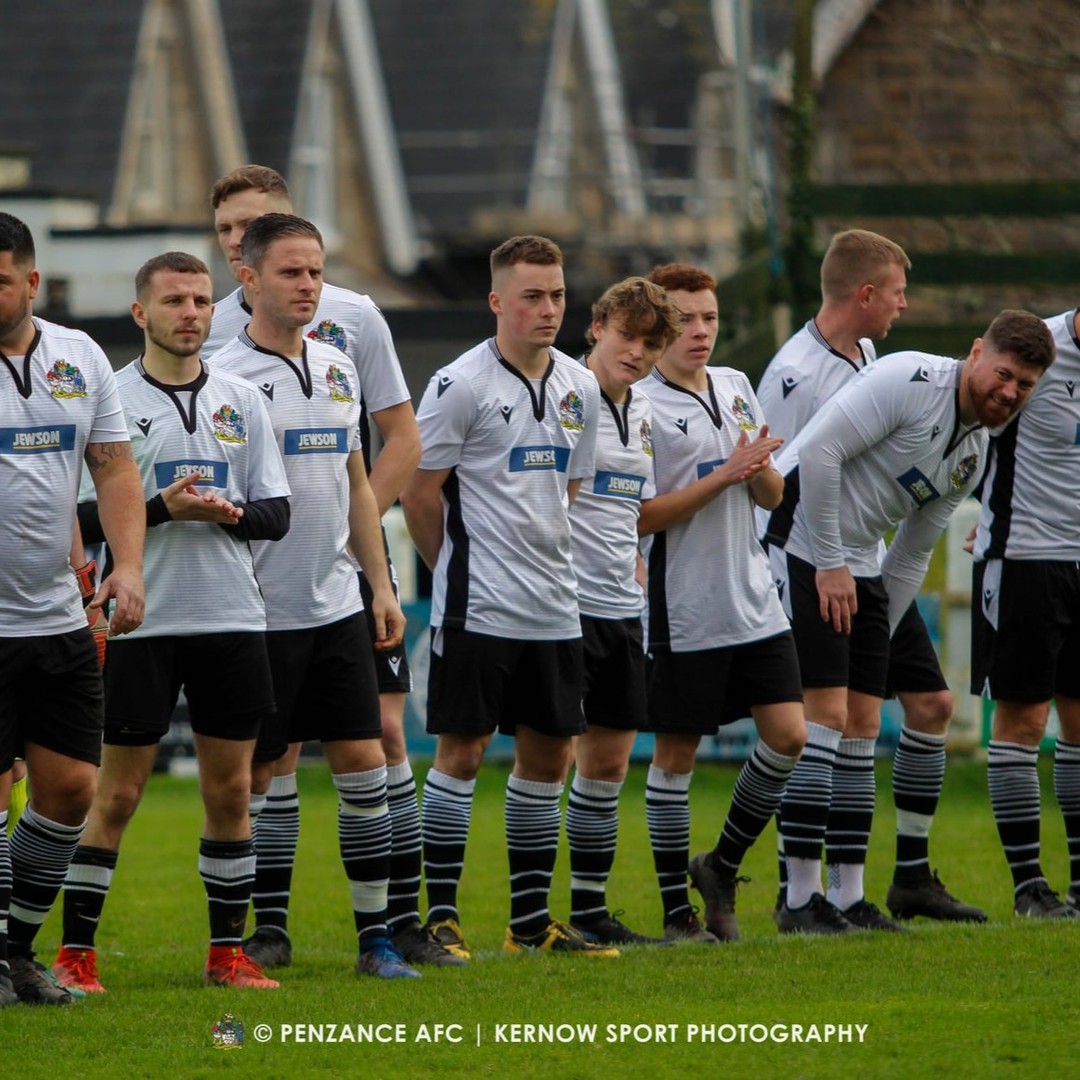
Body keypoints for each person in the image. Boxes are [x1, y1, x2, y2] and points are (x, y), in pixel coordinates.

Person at [204, 166, 436, 966]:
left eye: (316, 272)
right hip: (257, 608)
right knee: (265, 769)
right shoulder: (223, 379)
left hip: (338, 600)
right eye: (291, 273)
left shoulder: (339, 363)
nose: (308, 286)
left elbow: (357, 483)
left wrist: (379, 584)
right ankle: (270, 931)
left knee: (367, 754)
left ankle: (378, 936)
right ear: (247, 278)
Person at [764, 308, 1055, 933]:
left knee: (868, 719)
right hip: (798, 538)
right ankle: (797, 900)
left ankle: (846, 897)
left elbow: (915, 549)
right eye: (1002, 374)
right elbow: (816, 455)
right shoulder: (908, 377)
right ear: (977, 351)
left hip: (858, 561)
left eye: (1023, 386)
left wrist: (880, 632)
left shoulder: (974, 451)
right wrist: (832, 564)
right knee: (826, 718)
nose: (1007, 392)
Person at [52, 252, 290, 994]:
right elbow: (81, 517)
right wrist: (162, 509)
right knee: (116, 794)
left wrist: (227, 513)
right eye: (175, 301)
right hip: (138, 624)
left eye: (201, 299)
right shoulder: (109, 396)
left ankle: (228, 956)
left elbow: (277, 513)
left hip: (231, 619)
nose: (191, 313)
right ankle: (75, 956)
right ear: (140, 314)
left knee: (229, 793)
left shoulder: (244, 398)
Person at [757, 229, 986, 923]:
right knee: (825, 719)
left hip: (867, 562)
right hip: (809, 556)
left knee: (920, 708)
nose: (903, 305)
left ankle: (876, 886)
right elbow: (781, 478)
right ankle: (798, 887)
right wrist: (814, 566)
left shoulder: (867, 355)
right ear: (864, 294)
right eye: (895, 293)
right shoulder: (798, 372)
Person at [400, 235, 611, 957]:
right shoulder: (461, 383)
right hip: (479, 606)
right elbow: (419, 493)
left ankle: (529, 926)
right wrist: (456, 566)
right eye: (532, 296)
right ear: (497, 302)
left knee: (549, 757)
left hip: (556, 605)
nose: (548, 308)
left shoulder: (581, 386)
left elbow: (570, 491)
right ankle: (442, 916)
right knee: (461, 752)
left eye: (556, 295)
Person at [634, 263, 806, 943]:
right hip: (685, 607)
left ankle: (721, 864)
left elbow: (771, 497)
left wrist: (758, 469)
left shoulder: (736, 386)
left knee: (789, 736)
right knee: (675, 757)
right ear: (654, 325)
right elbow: (642, 516)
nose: (700, 331)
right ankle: (677, 915)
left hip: (755, 601)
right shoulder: (639, 402)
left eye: (708, 317)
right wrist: (724, 475)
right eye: (684, 319)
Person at [0, 212, 145, 1006]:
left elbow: (115, 470)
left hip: (58, 618)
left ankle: (17, 950)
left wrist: (128, 566)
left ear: (30, 282)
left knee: (69, 789)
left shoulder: (79, 355)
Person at [563, 277, 682, 945]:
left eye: (649, 343)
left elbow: (631, 511)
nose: (635, 352)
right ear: (598, 325)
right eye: (626, 335)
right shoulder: (560, 395)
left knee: (607, 766)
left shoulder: (641, 414)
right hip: (559, 605)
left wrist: (635, 561)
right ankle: (527, 918)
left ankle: (588, 910)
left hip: (620, 606)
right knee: (544, 762)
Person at [974, 306, 1080, 918]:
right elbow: (973, 421)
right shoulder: (1036, 350)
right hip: (1024, 557)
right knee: (1022, 721)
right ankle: (1028, 888)